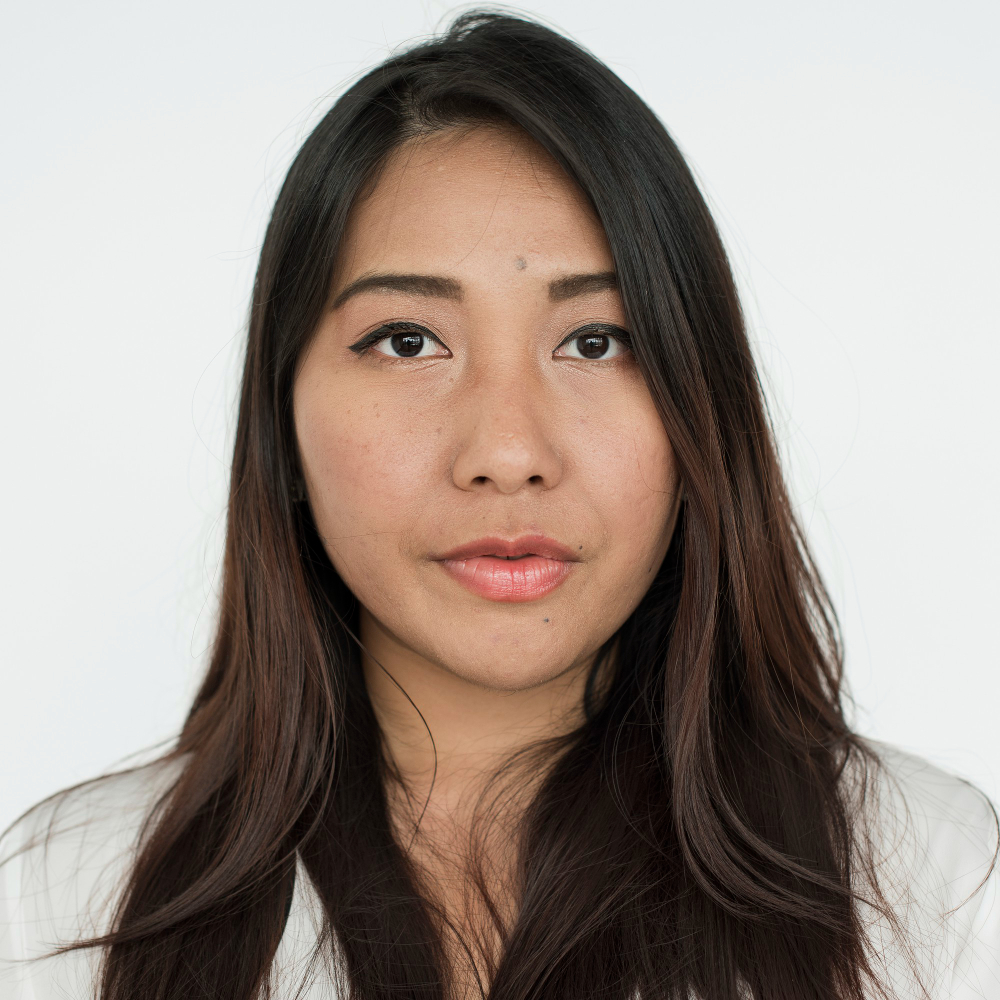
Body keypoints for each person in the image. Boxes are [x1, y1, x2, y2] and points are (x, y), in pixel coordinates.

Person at [1, 9, 997, 1000]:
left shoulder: (935, 886)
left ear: (702, 411)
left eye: (596, 342)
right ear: (280, 419)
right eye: (406, 340)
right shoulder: (66, 902)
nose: (508, 453)